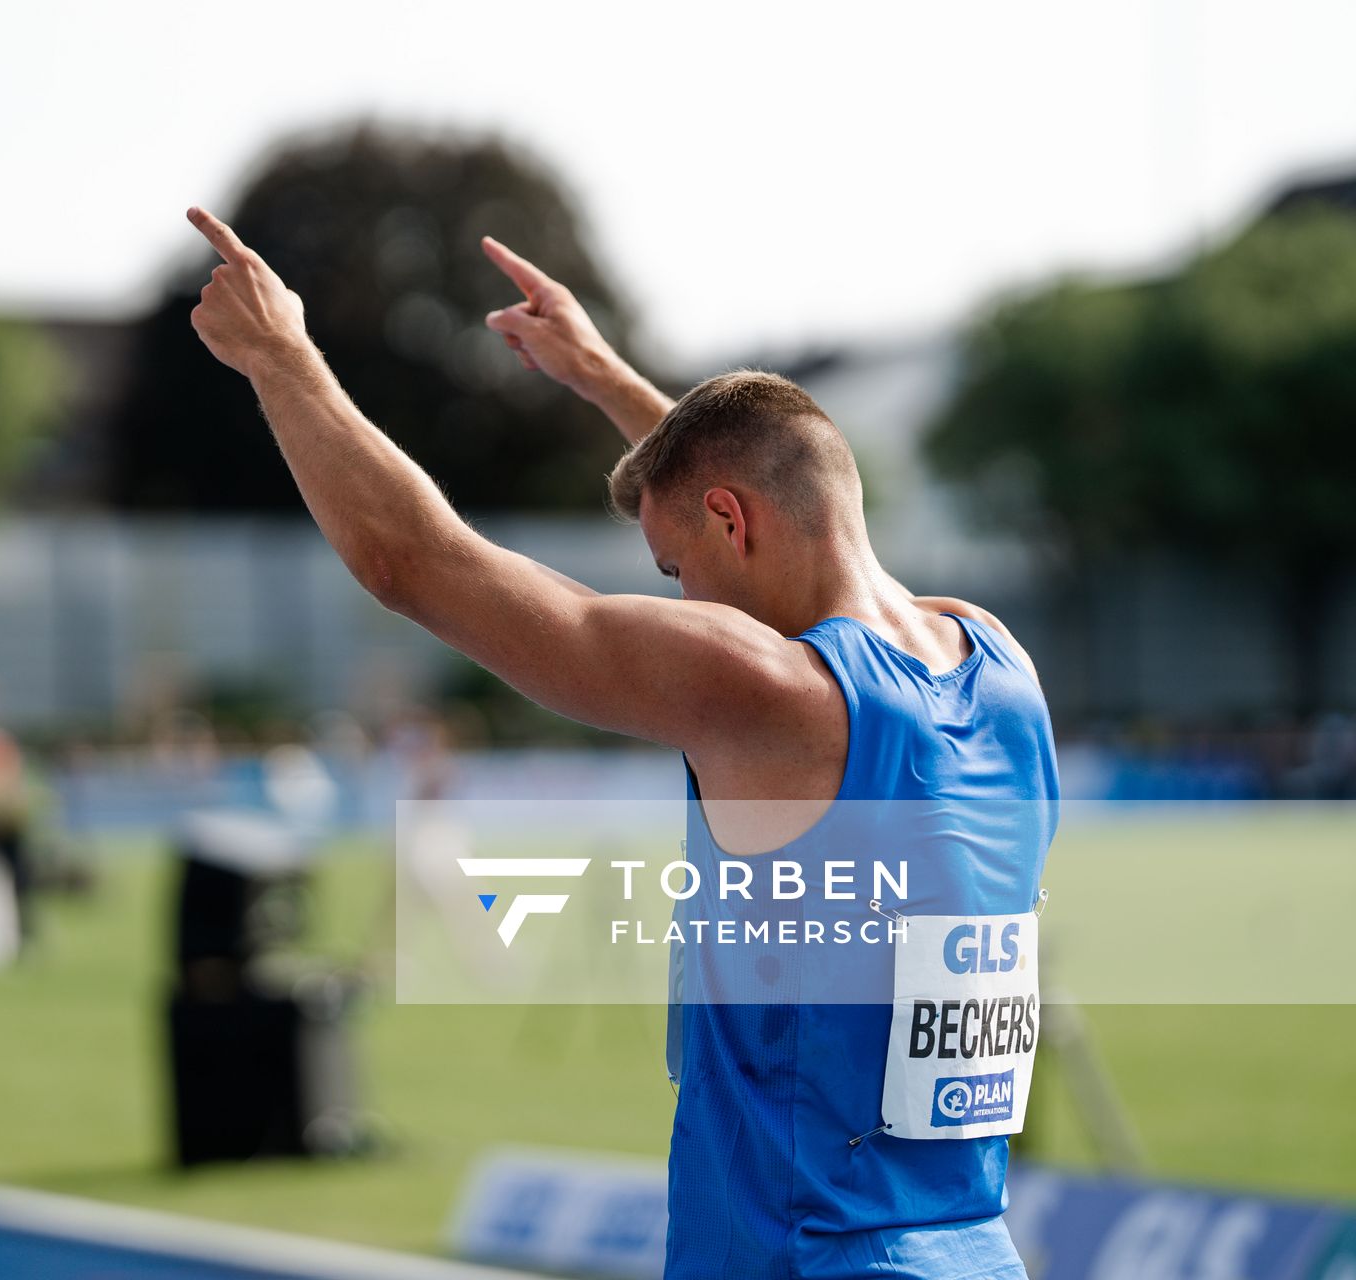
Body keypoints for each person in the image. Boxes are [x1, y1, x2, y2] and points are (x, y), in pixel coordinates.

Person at [183, 206, 1056, 1279]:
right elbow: (758, 499)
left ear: (731, 523)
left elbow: (413, 562)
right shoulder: (997, 664)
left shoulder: (776, 696)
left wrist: (283, 355)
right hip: (972, 1248)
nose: (681, 599)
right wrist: (608, 383)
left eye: (673, 572)